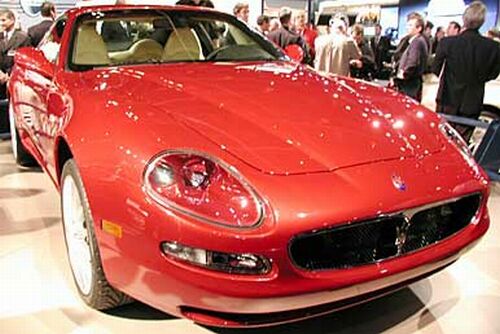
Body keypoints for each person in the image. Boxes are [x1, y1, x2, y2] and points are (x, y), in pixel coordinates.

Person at [433, 1, 500, 140]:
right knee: (462, 144)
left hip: (447, 101)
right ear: (482, 21)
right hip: (472, 102)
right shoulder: (493, 48)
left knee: (442, 140)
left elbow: (435, 69)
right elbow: (493, 74)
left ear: (464, 20)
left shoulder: (447, 43)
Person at [394, 12, 428, 101]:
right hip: (412, 85)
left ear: (419, 28)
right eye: (407, 25)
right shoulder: (418, 41)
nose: (407, 27)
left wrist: (403, 74)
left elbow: (413, 62)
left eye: (410, 25)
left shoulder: (417, 42)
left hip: (410, 86)